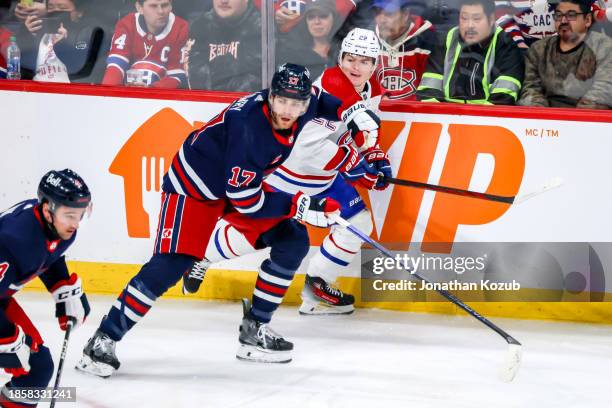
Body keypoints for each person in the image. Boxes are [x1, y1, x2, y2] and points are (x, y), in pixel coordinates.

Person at [76, 63, 381, 377]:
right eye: (283, 101)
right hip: (194, 187)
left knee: (293, 241)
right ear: (271, 96)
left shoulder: (301, 103)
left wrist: (360, 122)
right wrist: (300, 206)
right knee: (171, 264)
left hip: (236, 185)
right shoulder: (250, 130)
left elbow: (331, 100)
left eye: (296, 103)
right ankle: (103, 339)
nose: (288, 110)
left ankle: (254, 331)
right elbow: (248, 203)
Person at [183, 28, 390, 315]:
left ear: (375, 65)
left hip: (324, 177)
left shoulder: (372, 90)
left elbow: (358, 130)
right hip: (292, 174)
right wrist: (352, 163)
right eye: (351, 59)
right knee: (259, 233)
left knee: (357, 224)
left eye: (365, 61)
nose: (356, 67)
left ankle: (317, 288)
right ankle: (200, 256)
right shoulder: (330, 86)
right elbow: (305, 146)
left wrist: (372, 154)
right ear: (340, 58)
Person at [0, 169, 91, 407]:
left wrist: (61, 286)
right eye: (70, 215)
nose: (76, 223)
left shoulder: (56, 228)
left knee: (37, 368)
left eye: (81, 214)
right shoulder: (12, 240)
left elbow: (47, 253)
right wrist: (6, 336)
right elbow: (30, 249)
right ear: (48, 209)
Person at [416, 0, 524, 105]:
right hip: (445, 118)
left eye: (476, 19)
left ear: (491, 19)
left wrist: (471, 119)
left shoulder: (505, 44)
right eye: (464, 18)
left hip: (486, 118)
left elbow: (504, 98)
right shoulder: (446, 40)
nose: (469, 25)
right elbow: (428, 91)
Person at [518, 0, 612, 109]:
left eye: (571, 15)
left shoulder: (605, 47)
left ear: (587, 20)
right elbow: (531, 89)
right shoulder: (539, 49)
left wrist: (573, 120)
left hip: (589, 118)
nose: (563, 21)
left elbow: (604, 90)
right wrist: (543, 116)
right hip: (547, 118)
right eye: (558, 15)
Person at [102, 0, 189, 88]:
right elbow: (116, 66)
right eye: (153, 6)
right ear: (140, 8)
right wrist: (108, 94)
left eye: (165, 5)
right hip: (125, 92)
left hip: (161, 98)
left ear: (171, 6)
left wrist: (150, 90)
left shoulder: (181, 28)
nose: (161, 11)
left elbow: (177, 76)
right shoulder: (127, 24)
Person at [18, 0, 107, 83]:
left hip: (68, 93)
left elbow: (80, 69)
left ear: (79, 12)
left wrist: (64, 42)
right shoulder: (38, 30)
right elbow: (22, 65)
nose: (55, 13)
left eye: (62, 8)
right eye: (51, 8)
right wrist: (27, 34)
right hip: (35, 92)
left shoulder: (89, 33)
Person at [187, 0, 262, 92]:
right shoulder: (200, 25)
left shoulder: (261, 27)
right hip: (206, 102)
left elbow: (254, 81)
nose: (224, 1)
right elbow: (195, 74)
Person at [373, 0, 436, 100]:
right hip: (374, 111)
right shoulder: (368, 38)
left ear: (405, 14)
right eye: (377, 12)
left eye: (389, 14)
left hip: (415, 113)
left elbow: (431, 93)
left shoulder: (426, 41)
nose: (381, 20)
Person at [277, 0, 340, 80]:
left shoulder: (345, 51)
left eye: (323, 16)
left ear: (334, 19)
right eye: (311, 17)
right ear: (306, 22)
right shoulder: (294, 55)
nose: (317, 22)